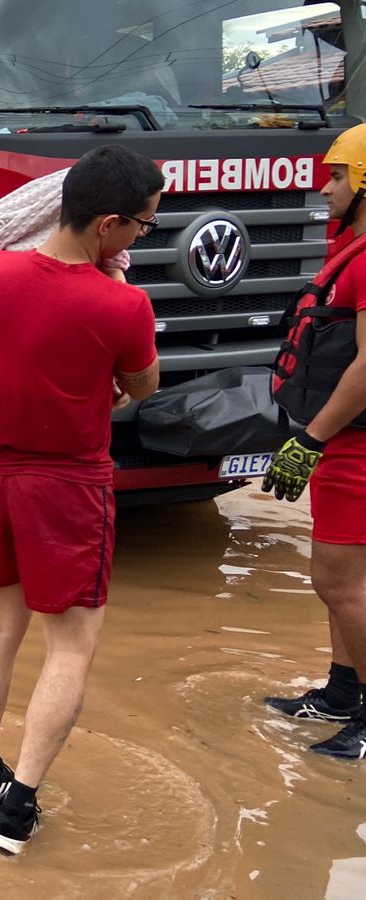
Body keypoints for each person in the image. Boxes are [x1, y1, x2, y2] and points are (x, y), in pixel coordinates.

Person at [0, 145, 162, 855]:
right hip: (68, 487)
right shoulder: (124, 303)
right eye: (140, 226)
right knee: (71, 647)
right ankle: (17, 810)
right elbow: (143, 387)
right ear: (107, 225)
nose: (140, 238)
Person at [260, 124, 366, 758]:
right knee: (343, 578)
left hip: (352, 444)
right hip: (338, 441)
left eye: (337, 177)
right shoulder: (349, 247)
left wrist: (312, 440)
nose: (324, 188)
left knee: (338, 582)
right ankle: (341, 690)